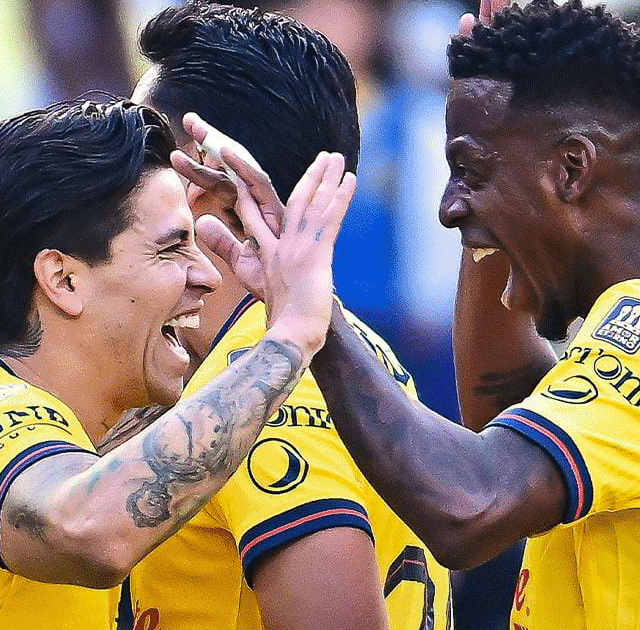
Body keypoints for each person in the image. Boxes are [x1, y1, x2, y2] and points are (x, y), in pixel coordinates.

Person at [213, 0, 640, 628]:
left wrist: (314, 317)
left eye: (470, 171)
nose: (448, 208)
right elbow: (498, 409)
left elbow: (467, 508)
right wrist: (488, 216)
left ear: (572, 167)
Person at [0, 97, 356, 629]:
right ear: (63, 280)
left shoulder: (92, 448)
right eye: (171, 250)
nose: (209, 275)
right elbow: (89, 527)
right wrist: (287, 339)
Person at [123, 3, 451, 630]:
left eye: (137, 159)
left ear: (204, 191)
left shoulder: (263, 382)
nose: (111, 180)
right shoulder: (321, 352)